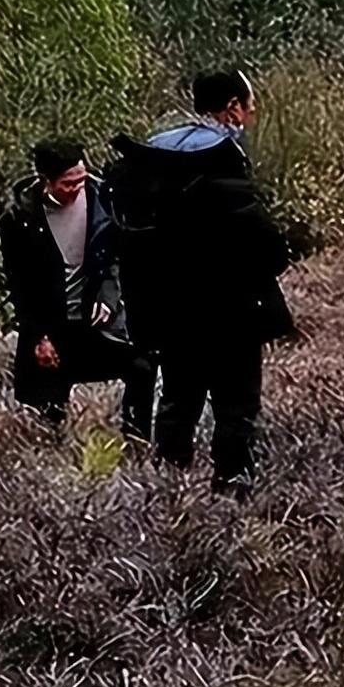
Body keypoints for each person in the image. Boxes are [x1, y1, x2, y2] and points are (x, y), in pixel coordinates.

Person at [106, 69, 292, 501]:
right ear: (232, 109)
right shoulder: (223, 166)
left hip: (171, 316)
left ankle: (166, 497)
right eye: (249, 107)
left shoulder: (152, 162)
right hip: (232, 316)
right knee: (236, 408)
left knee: (177, 401)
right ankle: (230, 495)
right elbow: (270, 250)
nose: (250, 116)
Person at [0, 139, 154, 439]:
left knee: (141, 367)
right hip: (50, 326)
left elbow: (114, 257)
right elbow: (19, 286)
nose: (76, 189)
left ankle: (136, 443)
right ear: (46, 181)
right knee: (48, 409)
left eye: (81, 180)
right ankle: (48, 455)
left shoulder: (102, 200)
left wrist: (108, 297)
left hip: (96, 322)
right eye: (68, 184)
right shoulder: (19, 220)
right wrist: (39, 336)